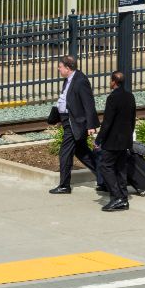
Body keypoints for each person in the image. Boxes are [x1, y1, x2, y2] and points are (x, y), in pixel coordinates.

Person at [49, 55, 100, 195]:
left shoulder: (81, 81)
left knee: (65, 153)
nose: (58, 69)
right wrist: (60, 117)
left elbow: (88, 104)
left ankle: (65, 185)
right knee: (83, 153)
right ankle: (104, 178)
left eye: (60, 67)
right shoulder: (68, 80)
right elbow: (66, 101)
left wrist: (91, 125)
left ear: (68, 68)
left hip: (75, 123)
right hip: (68, 120)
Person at [97, 70, 135, 212]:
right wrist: (129, 137)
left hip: (112, 141)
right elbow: (132, 120)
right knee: (120, 169)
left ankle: (117, 196)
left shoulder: (112, 98)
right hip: (125, 140)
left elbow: (107, 122)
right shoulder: (130, 96)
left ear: (114, 82)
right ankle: (123, 199)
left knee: (105, 167)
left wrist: (99, 139)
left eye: (110, 80)